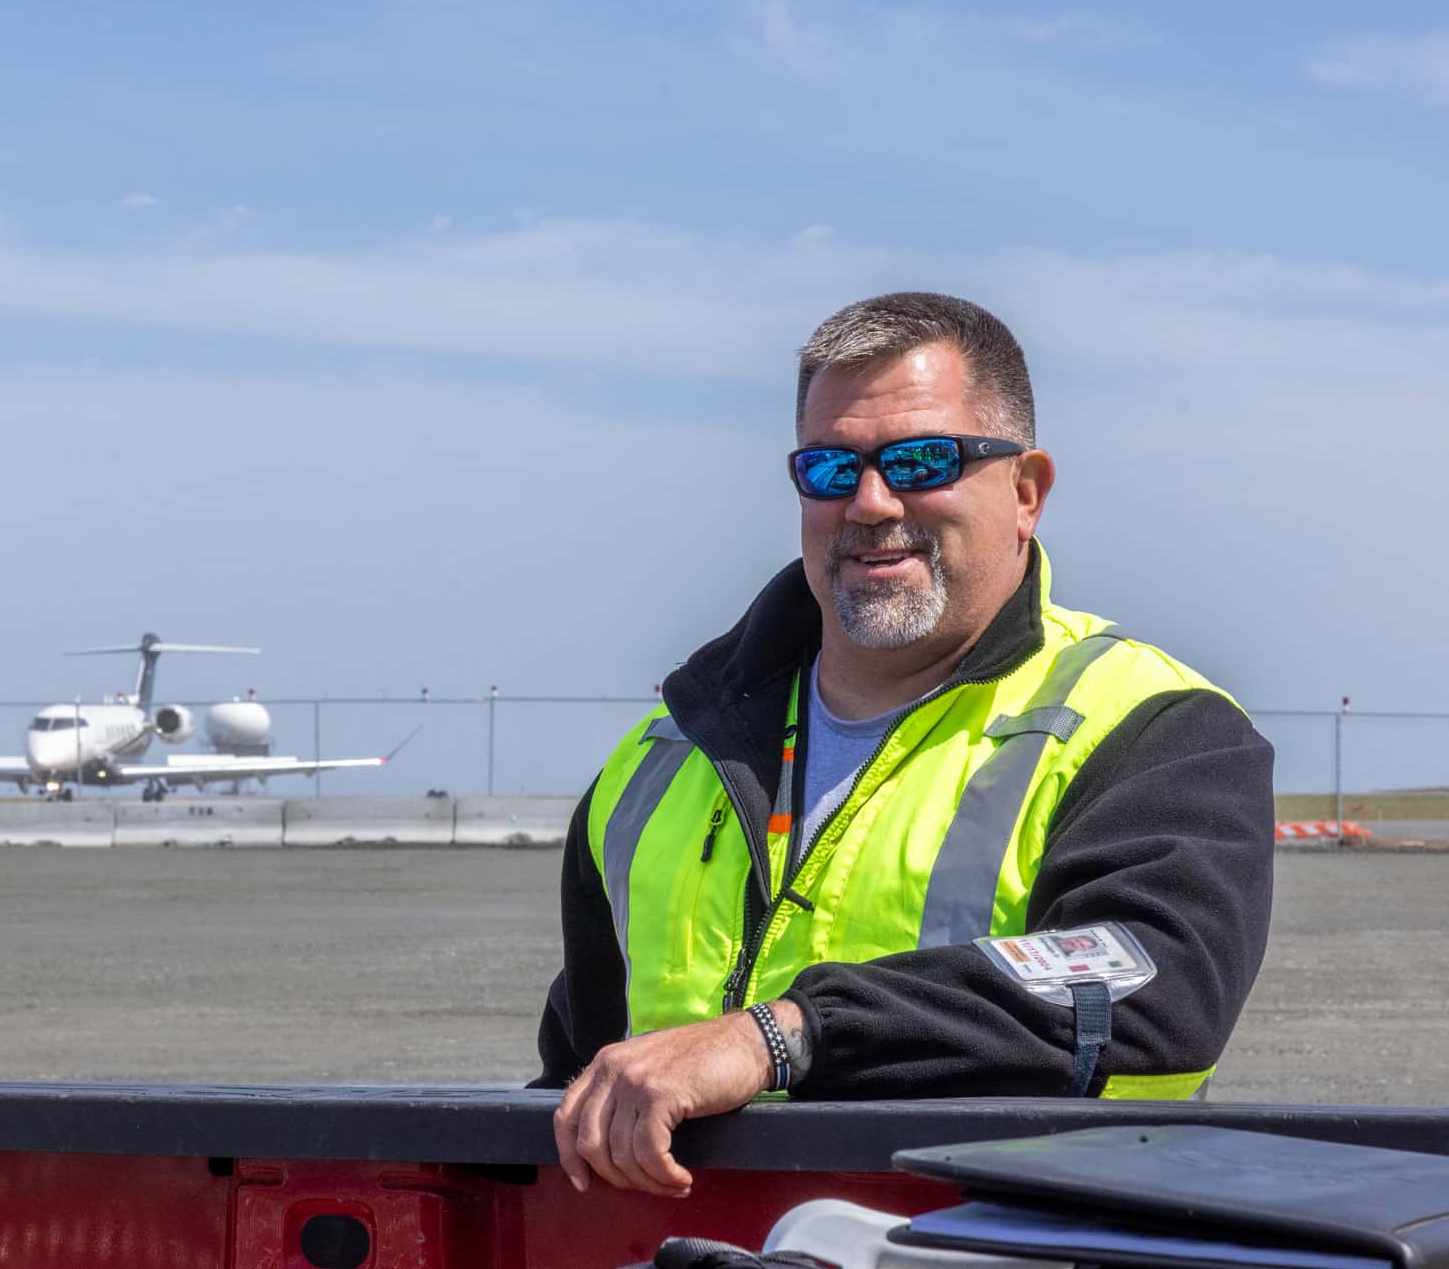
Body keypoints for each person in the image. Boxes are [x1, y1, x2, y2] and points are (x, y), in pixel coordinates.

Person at [533, 292, 1275, 1198]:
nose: (870, 502)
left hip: (993, 1243)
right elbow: (581, 1082)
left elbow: (1157, 990)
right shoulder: (660, 760)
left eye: (922, 461)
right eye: (830, 468)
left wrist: (783, 1035)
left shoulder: (1151, 728)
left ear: (1027, 491)